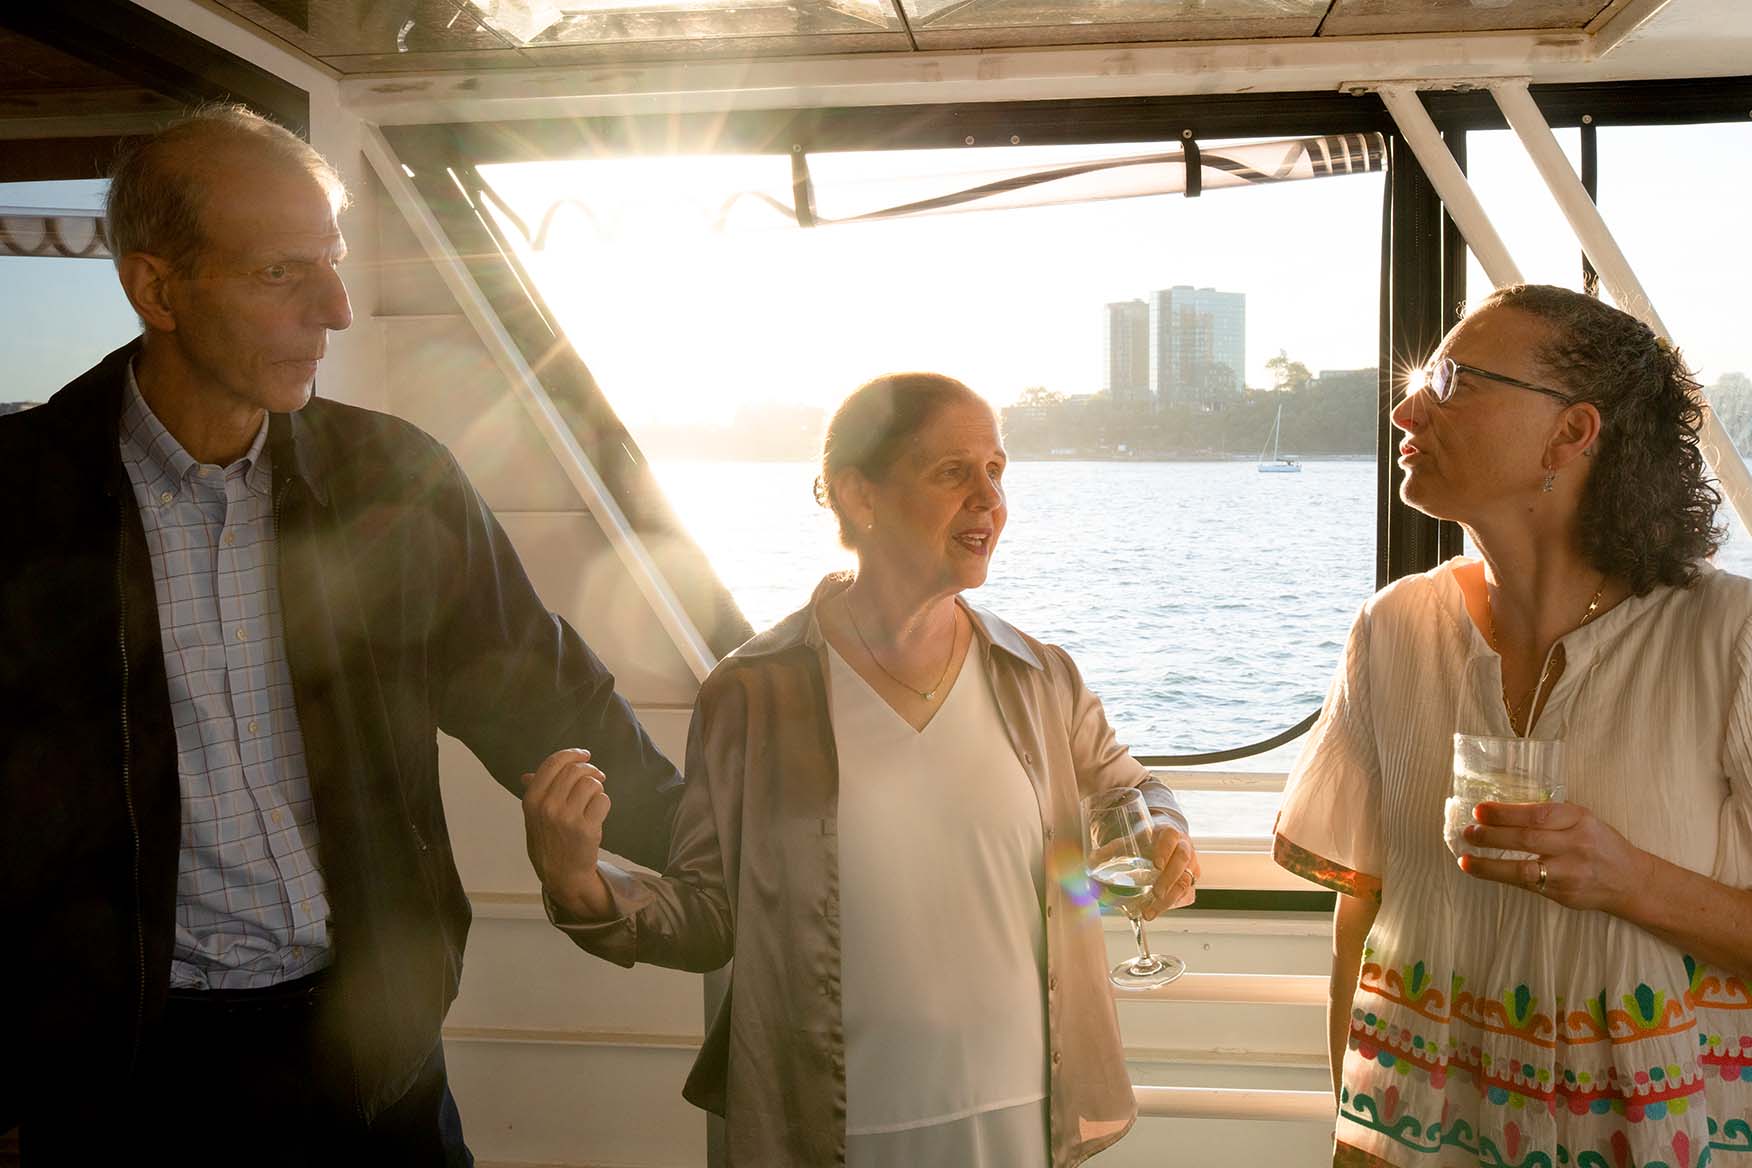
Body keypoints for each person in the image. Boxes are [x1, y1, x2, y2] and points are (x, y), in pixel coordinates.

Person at [0, 105, 683, 1164]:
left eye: (333, 261)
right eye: (282, 272)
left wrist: (737, 858)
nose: (338, 308)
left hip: (376, 1060)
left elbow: (548, 700)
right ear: (156, 290)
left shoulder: (397, 481)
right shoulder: (17, 503)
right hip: (117, 1085)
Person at [520, 372, 1201, 1167]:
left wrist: (1163, 834)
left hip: (1021, 1108)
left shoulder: (1041, 677)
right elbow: (710, 914)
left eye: (996, 470)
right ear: (858, 494)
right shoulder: (752, 693)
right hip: (838, 1124)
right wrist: (581, 884)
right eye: (953, 472)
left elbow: (1132, 790)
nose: (989, 499)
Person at [1273, 284, 1752, 1167]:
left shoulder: (1730, 638)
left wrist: (1630, 880)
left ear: (1570, 433)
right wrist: (1353, 1135)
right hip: (1429, 1137)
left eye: (1451, 381)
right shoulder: (1392, 629)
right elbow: (1362, 916)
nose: (1405, 408)